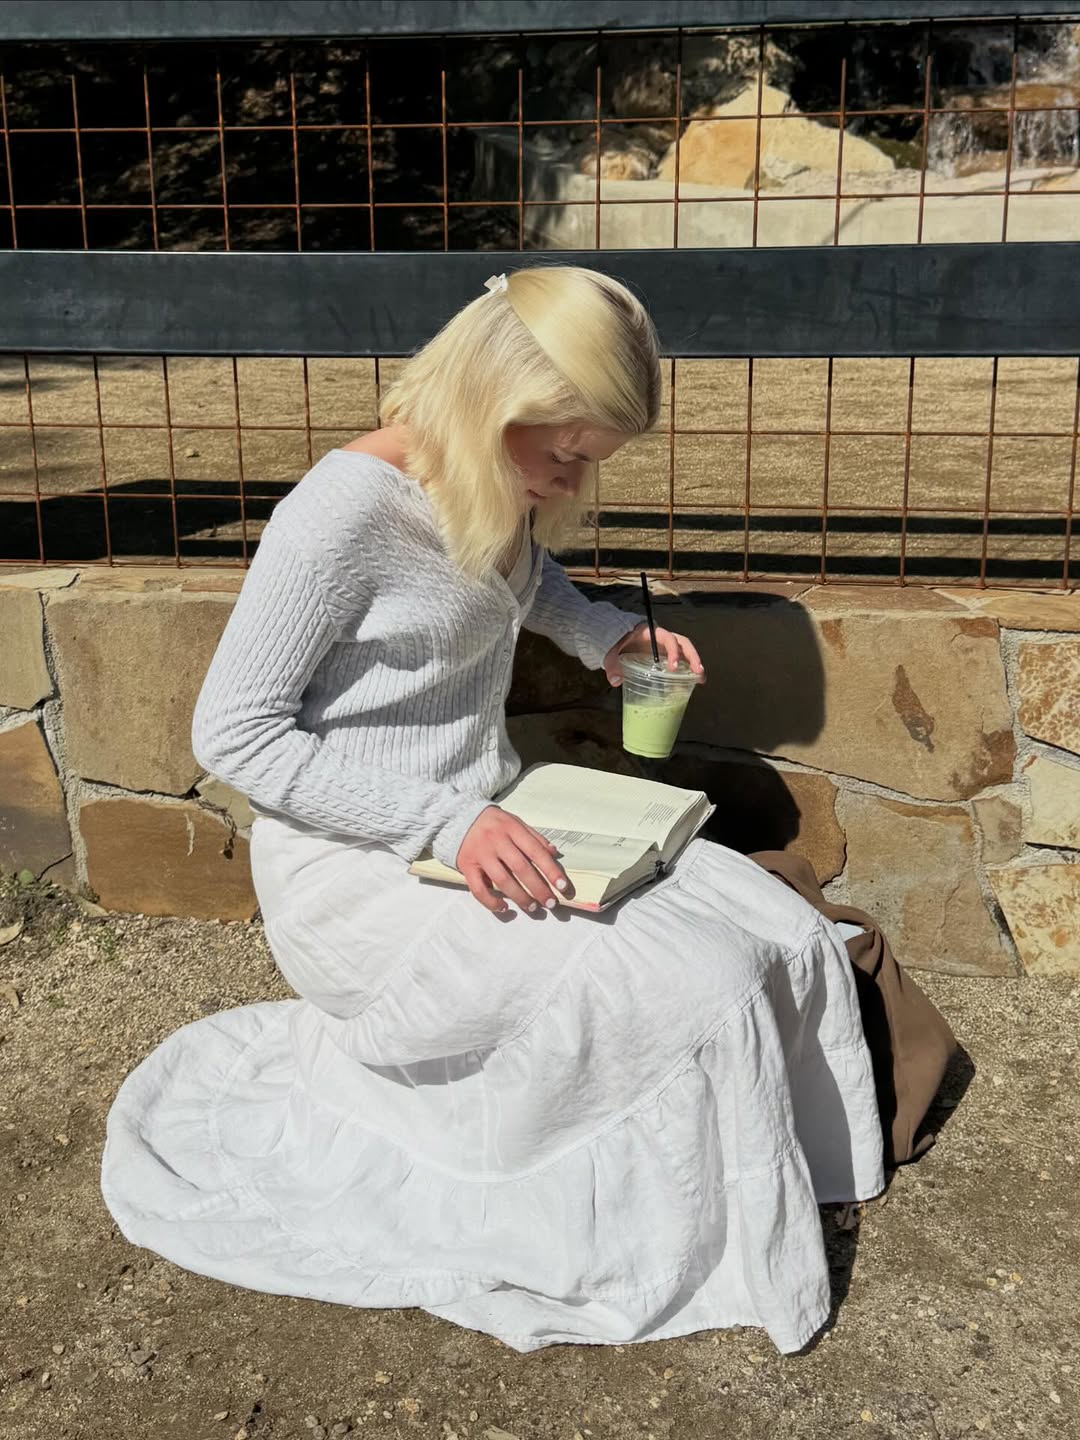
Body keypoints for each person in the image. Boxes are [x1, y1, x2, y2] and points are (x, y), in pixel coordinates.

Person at [100, 264, 884, 1356]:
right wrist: (442, 826)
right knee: (691, 987)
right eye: (561, 454)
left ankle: (789, 1167)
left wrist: (606, 633)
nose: (566, 484)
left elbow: (523, 582)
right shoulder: (338, 515)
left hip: (480, 822)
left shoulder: (483, 483)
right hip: (359, 871)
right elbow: (233, 737)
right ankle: (672, 1228)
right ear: (491, 398)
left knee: (767, 925)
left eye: (587, 463)